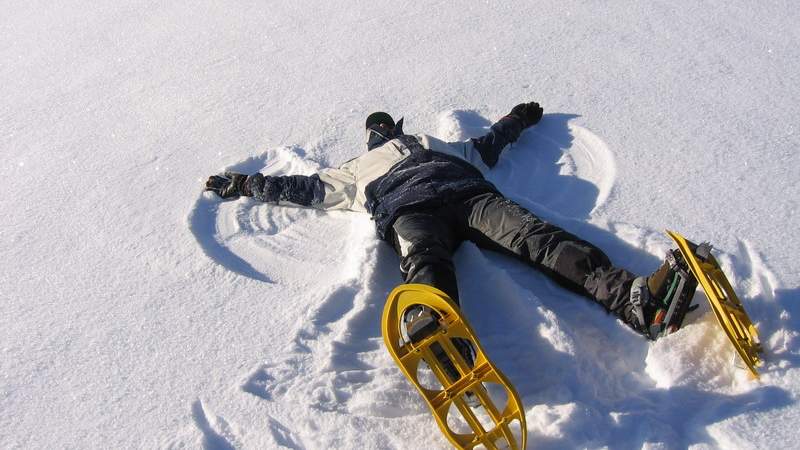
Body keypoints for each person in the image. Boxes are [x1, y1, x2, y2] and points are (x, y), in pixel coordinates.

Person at [205, 102, 697, 343]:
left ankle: (638, 303)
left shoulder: (432, 142)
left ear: (394, 128)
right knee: (423, 259)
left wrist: (518, 118)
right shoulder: (354, 170)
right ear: (370, 138)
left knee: (538, 238)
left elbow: (488, 145)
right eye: (374, 131)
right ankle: (436, 329)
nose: (379, 135)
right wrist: (246, 184)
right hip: (409, 210)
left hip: (470, 196)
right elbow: (304, 190)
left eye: (384, 127)